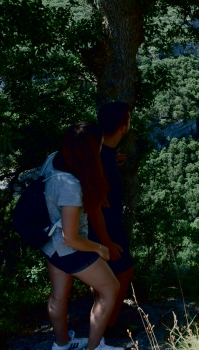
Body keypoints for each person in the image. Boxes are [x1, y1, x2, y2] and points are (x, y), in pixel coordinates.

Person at [40, 122, 124, 350]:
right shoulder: (70, 186)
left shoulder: (54, 160)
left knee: (58, 295)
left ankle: (61, 344)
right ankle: (95, 347)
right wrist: (99, 247)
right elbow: (71, 237)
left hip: (50, 244)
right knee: (110, 289)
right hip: (69, 249)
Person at [88, 102, 135, 337]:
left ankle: (106, 323)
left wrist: (112, 163)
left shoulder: (101, 152)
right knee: (122, 273)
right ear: (123, 127)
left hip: (108, 226)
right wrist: (105, 240)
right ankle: (109, 328)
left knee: (112, 275)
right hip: (107, 228)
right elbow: (95, 207)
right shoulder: (102, 157)